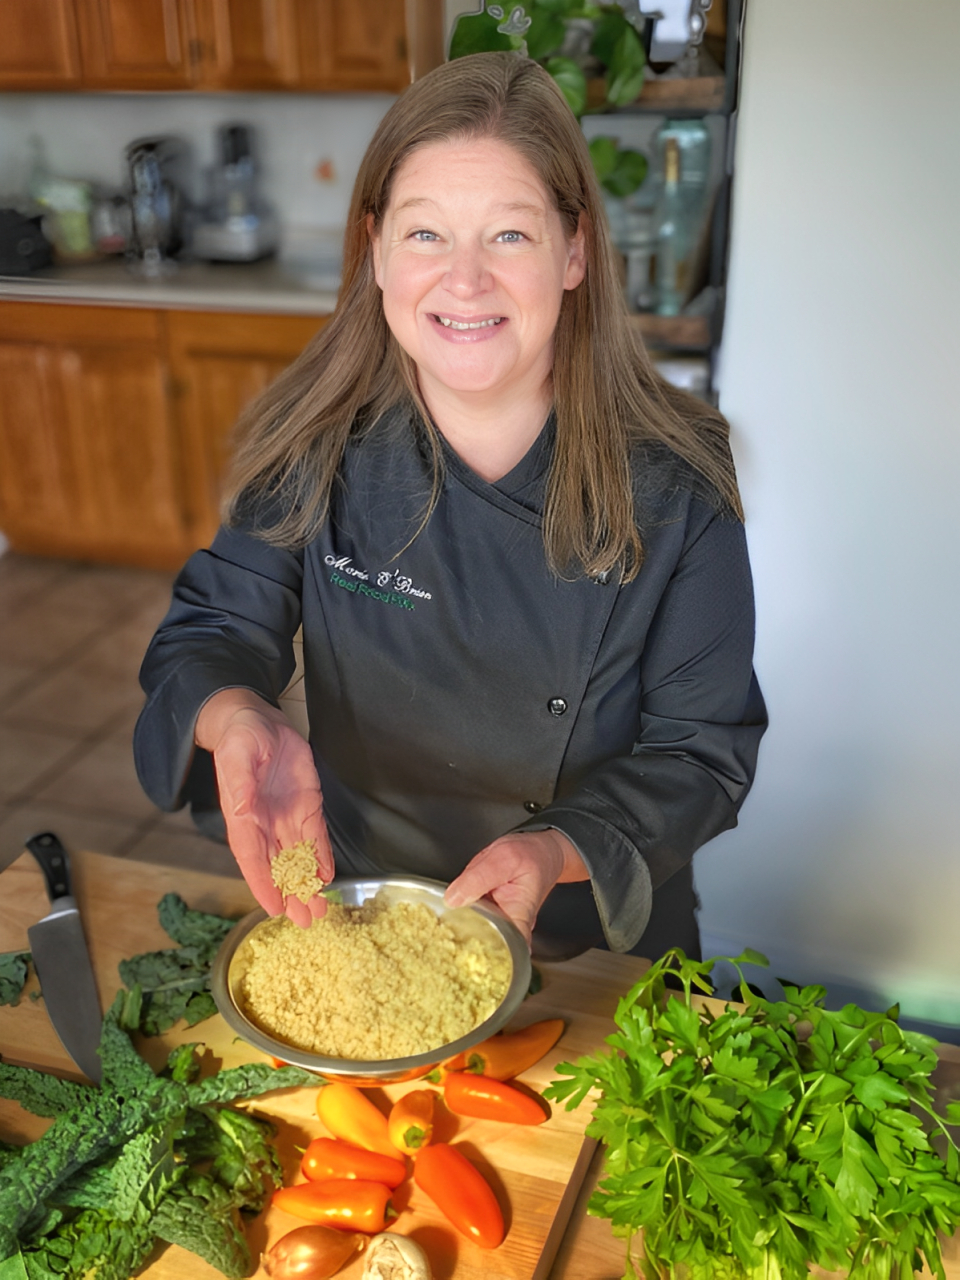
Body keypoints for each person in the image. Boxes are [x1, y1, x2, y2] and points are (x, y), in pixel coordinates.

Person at [134, 51, 767, 963]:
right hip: (368, 921)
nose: (464, 281)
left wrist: (553, 849)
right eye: (426, 233)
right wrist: (237, 715)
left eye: (509, 235)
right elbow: (211, 630)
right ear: (376, 251)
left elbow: (700, 753)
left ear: (575, 251)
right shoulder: (317, 441)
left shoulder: (677, 479)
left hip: (588, 945)